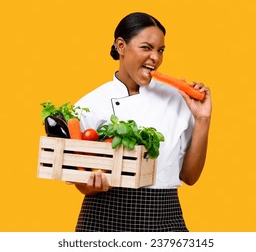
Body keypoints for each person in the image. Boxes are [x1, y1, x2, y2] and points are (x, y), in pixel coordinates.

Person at [68, 12, 212, 232]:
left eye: (160, 50)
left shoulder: (177, 99)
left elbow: (190, 176)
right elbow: (80, 180)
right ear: (121, 46)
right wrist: (91, 185)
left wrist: (202, 118)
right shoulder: (91, 104)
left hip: (165, 216)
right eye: (146, 47)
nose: (155, 57)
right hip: (104, 219)